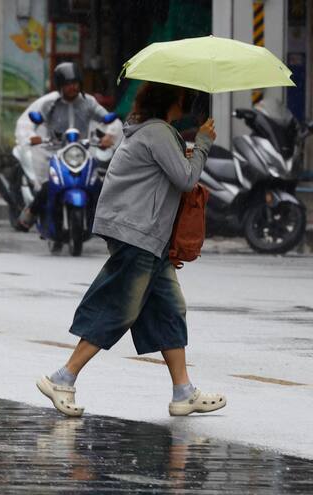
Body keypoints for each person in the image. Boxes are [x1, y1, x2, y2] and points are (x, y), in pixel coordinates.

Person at [35, 81, 225, 418]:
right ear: (172, 100)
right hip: (138, 233)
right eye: (184, 97)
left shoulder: (149, 131)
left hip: (148, 236)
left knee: (169, 307)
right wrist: (204, 144)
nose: (188, 102)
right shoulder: (157, 133)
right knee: (118, 308)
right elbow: (185, 179)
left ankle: (183, 391)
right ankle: (62, 378)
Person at [13, 62, 120, 230]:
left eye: (76, 83)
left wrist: (110, 135)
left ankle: (108, 222)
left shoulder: (89, 102)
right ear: (60, 85)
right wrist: (31, 137)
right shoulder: (48, 104)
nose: (73, 87)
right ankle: (30, 214)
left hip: (82, 153)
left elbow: (109, 120)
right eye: (69, 84)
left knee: (99, 186)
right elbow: (28, 122)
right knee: (47, 188)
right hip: (54, 154)